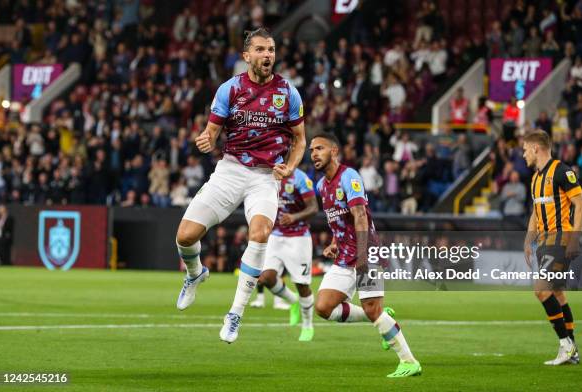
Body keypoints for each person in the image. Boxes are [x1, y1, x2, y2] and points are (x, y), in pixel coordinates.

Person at [174, 28, 306, 344]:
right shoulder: (229, 90)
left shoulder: (288, 92)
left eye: (271, 50)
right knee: (185, 236)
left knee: (259, 234)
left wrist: (290, 165)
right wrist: (206, 140)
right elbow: (212, 132)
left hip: (265, 178)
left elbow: (300, 140)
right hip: (230, 170)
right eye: (260, 49)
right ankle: (195, 274)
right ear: (246, 56)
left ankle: (235, 314)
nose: (267, 55)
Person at [309, 133, 421, 378]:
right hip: (343, 256)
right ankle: (381, 315)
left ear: (334, 151)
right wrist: (334, 242)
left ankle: (409, 361)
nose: (314, 153)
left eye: (319, 148)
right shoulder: (321, 186)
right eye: (311, 150)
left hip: (366, 251)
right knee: (323, 307)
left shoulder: (349, 177)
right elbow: (338, 220)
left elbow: (360, 215)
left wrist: (361, 256)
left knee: (373, 310)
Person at [522, 130, 582, 365]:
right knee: (557, 293)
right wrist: (529, 240)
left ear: (536, 148)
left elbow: (581, 206)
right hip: (544, 242)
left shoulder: (562, 171)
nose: (523, 154)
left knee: (541, 290)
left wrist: (575, 239)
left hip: (560, 238)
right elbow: (535, 212)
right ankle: (573, 350)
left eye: (525, 149)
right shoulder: (536, 178)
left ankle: (566, 345)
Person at [255, 167, 319, 341]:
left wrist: (295, 217)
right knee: (265, 278)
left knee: (302, 285)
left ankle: (307, 325)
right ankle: (294, 302)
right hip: (276, 236)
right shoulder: (269, 174)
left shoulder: (300, 178)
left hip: (298, 239)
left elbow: (313, 207)